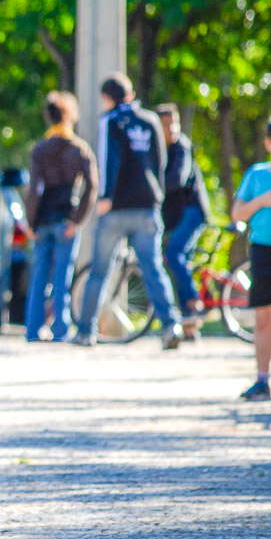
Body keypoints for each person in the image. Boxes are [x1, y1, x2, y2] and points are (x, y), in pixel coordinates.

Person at [74, 73, 184, 349]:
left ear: (107, 98)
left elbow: (108, 159)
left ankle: (86, 331)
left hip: (117, 209)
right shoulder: (150, 120)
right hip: (148, 207)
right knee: (153, 268)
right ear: (131, 94)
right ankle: (171, 325)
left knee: (100, 271)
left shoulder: (109, 121)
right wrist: (157, 196)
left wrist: (107, 195)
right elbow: (160, 162)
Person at [23, 91, 98, 342]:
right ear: (69, 115)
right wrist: (77, 220)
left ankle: (32, 330)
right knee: (62, 278)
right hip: (66, 219)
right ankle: (60, 331)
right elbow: (92, 185)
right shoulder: (79, 148)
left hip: (43, 220)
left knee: (39, 277)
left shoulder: (40, 149)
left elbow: (34, 189)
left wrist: (30, 222)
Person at [156, 103, 211, 340]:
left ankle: (194, 302)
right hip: (176, 215)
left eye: (174, 123)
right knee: (179, 264)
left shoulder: (182, 147)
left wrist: (150, 186)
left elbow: (177, 178)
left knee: (174, 255)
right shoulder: (158, 148)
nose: (172, 129)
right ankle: (189, 325)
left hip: (192, 211)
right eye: (166, 125)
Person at [230, 116, 271, 402]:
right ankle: (261, 379)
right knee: (263, 317)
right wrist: (262, 201)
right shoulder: (257, 175)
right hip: (263, 249)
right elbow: (237, 213)